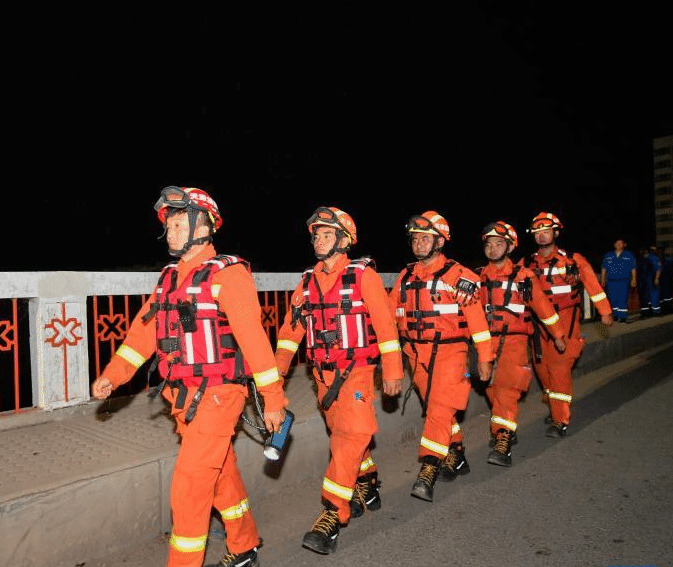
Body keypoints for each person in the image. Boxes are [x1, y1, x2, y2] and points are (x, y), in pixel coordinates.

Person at [90, 186, 287, 567]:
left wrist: (274, 400)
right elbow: (142, 334)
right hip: (181, 400)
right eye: (170, 224)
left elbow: (255, 342)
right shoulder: (168, 279)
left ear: (204, 225)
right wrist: (113, 376)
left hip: (218, 396)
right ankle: (245, 547)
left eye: (180, 222)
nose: (172, 231)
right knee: (221, 475)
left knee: (189, 489)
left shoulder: (228, 274)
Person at [272, 206, 403, 555]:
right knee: (342, 436)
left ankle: (332, 512)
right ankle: (368, 483)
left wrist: (392, 370)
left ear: (344, 240)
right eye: (316, 234)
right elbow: (290, 332)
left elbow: (386, 328)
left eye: (326, 234)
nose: (318, 239)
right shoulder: (307, 281)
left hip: (357, 372)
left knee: (355, 433)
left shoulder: (364, 277)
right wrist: (277, 369)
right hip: (322, 377)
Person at [389, 211, 493, 502]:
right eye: (415, 238)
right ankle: (456, 454)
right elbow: (388, 314)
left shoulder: (460, 276)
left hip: (451, 352)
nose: (419, 243)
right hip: (415, 353)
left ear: (439, 240)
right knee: (439, 409)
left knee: (437, 409)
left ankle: (429, 466)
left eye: (425, 238)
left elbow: (477, 321)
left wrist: (485, 357)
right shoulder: (406, 276)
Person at [477, 221, 566, 467]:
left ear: (510, 246)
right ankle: (503, 429)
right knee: (491, 389)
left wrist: (558, 334)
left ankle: (503, 440)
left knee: (507, 389)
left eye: (498, 243)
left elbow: (543, 307)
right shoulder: (480, 278)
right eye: (489, 244)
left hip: (515, 341)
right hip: (487, 342)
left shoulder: (524, 276)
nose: (493, 248)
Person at [522, 212, 613, 438]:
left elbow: (592, 284)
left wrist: (605, 311)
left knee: (559, 368)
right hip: (538, 325)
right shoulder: (526, 263)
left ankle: (560, 419)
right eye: (537, 233)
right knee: (542, 370)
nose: (542, 236)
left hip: (566, 320)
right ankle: (555, 406)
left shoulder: (573, 260)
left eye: (546, 231)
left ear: (556, 232)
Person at [599, 239, 637, 323]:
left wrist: (634, 279)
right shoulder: (608, 255)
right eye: (617, 243)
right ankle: (615, 315)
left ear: (624, 245)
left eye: (621, 243)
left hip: (624, 281)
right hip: (611, 281)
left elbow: (633, 268)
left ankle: (623, 317)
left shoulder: (629, 255)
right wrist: (602, 279)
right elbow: (604, 268)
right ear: (614, 244)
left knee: (623, 298)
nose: (618, 244)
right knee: (613, 299)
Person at [659, 246, 673, 314]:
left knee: (668, 296)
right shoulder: (659, 260)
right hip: (662, 280)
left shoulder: (668, 260)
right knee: (662, 296)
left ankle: (668, 309)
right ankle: (664, 309)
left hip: (668, 280)